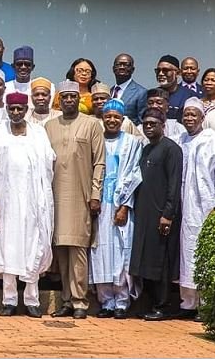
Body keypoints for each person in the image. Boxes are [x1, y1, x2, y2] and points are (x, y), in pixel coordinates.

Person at [0, 92, 55, 319]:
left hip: (34, 202)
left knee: (33, 246)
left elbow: (48, 164)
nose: (15, 113)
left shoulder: (38, 132)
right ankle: (9, 300)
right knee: (9, 248)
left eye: (20, 109)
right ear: (7, 109)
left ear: (26, 110)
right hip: (7, 202)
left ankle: (32, 300)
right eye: (12, 108)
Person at [46, 80, 105, 319]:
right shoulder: (49, 126)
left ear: (78, 100)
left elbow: (99, 162)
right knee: (61, 248)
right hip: (55, 195)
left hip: (81, 195)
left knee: (78, 248)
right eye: (65, 97)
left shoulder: (91, 124)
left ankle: (81, 302)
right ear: (59, 100)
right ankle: (67, 300)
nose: (69, 100)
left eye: (73, 96)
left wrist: (95, 194)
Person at [176, 98, 215, 321]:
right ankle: (188, 302)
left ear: (202, 118)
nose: (189, 118)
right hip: (185, 205)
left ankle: (207, 303)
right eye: (186, 114)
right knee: (187, 252)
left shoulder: (214, 142)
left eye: (194, 114)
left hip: (207, 205)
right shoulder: (180, 140)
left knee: (206, 251)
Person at [89, 99, 142, 319]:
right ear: (102, 118)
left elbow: (134, 175)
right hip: (99, 204)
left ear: (122, 120)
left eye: (116, 117)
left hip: (120, 205)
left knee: (121, 252)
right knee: (99, 251)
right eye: (108, 116)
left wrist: (124, 206)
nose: (112, 120)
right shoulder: (96, 140)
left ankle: (121, 301)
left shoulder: (132, 142)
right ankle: (106, 301)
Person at [130, 108, 183, 321]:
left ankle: (163, 305)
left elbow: (174, 184)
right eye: (146, 124)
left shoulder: (171, 149)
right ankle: (151, 303)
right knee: (147, 260)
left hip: (162, 215)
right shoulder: (146, 149)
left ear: (163, 125)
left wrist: (168, 214)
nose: (149, 127)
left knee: (161, 261)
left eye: (153, 123)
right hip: (145, 213)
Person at [154, 54, 199, 123]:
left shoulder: (189, 96)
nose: (160, 74)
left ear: (177, 73)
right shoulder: (152, 95)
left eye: (165, 70)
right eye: (158, 70)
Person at [110, 53, 148, 125]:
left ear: (132, 70)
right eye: (119, 64)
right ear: (113, 69)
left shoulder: (141, 92)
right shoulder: (109, 91)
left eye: (126, 65)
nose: (122, 67)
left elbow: (142, 123)